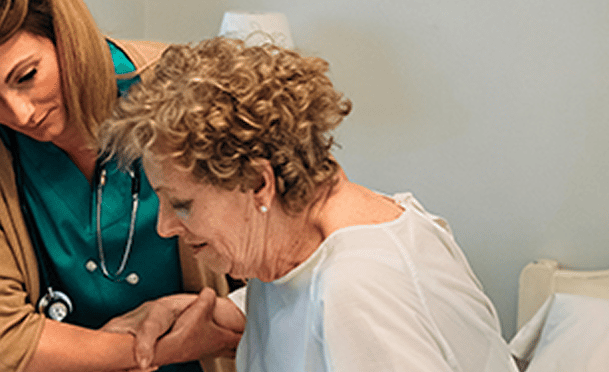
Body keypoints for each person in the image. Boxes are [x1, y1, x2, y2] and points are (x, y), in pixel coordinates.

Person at [100, 37, 519, 372]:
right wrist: (210, 314)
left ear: (259, 183)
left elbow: (344, 312)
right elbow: (299, 314)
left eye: (183, 205)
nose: (165, 226)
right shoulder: (296, 239)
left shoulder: (358, 287)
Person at [0, 1, 244, 371]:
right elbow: (1, 345)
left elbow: (276, 264)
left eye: (26, 76)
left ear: (63, 31)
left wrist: (204, 318)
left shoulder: (186, 90)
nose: (21, 115)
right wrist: (163, 349)